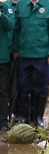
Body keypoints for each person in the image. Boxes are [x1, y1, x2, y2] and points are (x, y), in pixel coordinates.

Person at [13, 0, 49, 127]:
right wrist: (15, 49)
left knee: (42, 88)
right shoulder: (21, 4)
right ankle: (24, 118)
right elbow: (16, 29)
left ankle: (38, 118)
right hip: (23, 54)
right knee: (23, 87)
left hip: (42, 55)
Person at [0, 0, 14, 131]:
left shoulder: (5, 7)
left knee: (3, 91)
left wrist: (0, 15)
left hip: (2, 58)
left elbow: (10, 25)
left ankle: (3, 122)